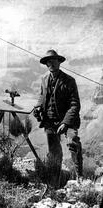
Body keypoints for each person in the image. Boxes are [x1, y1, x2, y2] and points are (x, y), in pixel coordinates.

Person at [33, 49, 83, 186]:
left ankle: (80, 177)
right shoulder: (44, 80)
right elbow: (41, 98)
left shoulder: (69, 81)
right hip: (50, 122)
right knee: (54, 153)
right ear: (46, 64)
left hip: (68, 122)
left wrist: (66, 123)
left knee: (73, 143)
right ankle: (55, 181)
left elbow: (74, 105)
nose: (51, 64)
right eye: (48, 62)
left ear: (59, 62)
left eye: (54, 61)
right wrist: (37, 108)